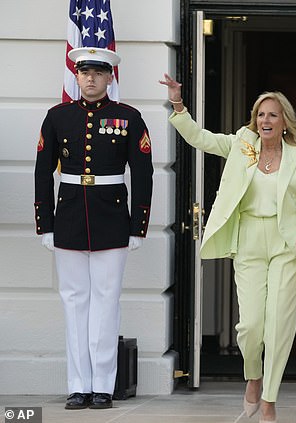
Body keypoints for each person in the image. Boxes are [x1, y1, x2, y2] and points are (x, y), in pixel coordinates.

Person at [159, 74, 296, 423]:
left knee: (278, 327)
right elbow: (200, 138)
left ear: (284, 121)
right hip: (247, 240)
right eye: (260, 114)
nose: (265, 120)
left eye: (273, 115)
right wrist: (177, 104)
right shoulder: (242, 145)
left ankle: (270, 400)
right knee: (250, 326)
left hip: (286, 245)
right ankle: (253, 377)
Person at [34, 47, 154, 409]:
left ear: (109, 78)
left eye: (98, 73)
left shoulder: (128, 117)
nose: (90, 79)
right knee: (74, 303)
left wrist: (138, 226)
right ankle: (78, 385)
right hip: (69, 216)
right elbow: (43, 171)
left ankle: (103, 385)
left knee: (106, 302)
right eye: (84, 72)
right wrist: (45, 224)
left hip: (111, 218)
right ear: (76, 76)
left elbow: (143, 174)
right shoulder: (58, 117)